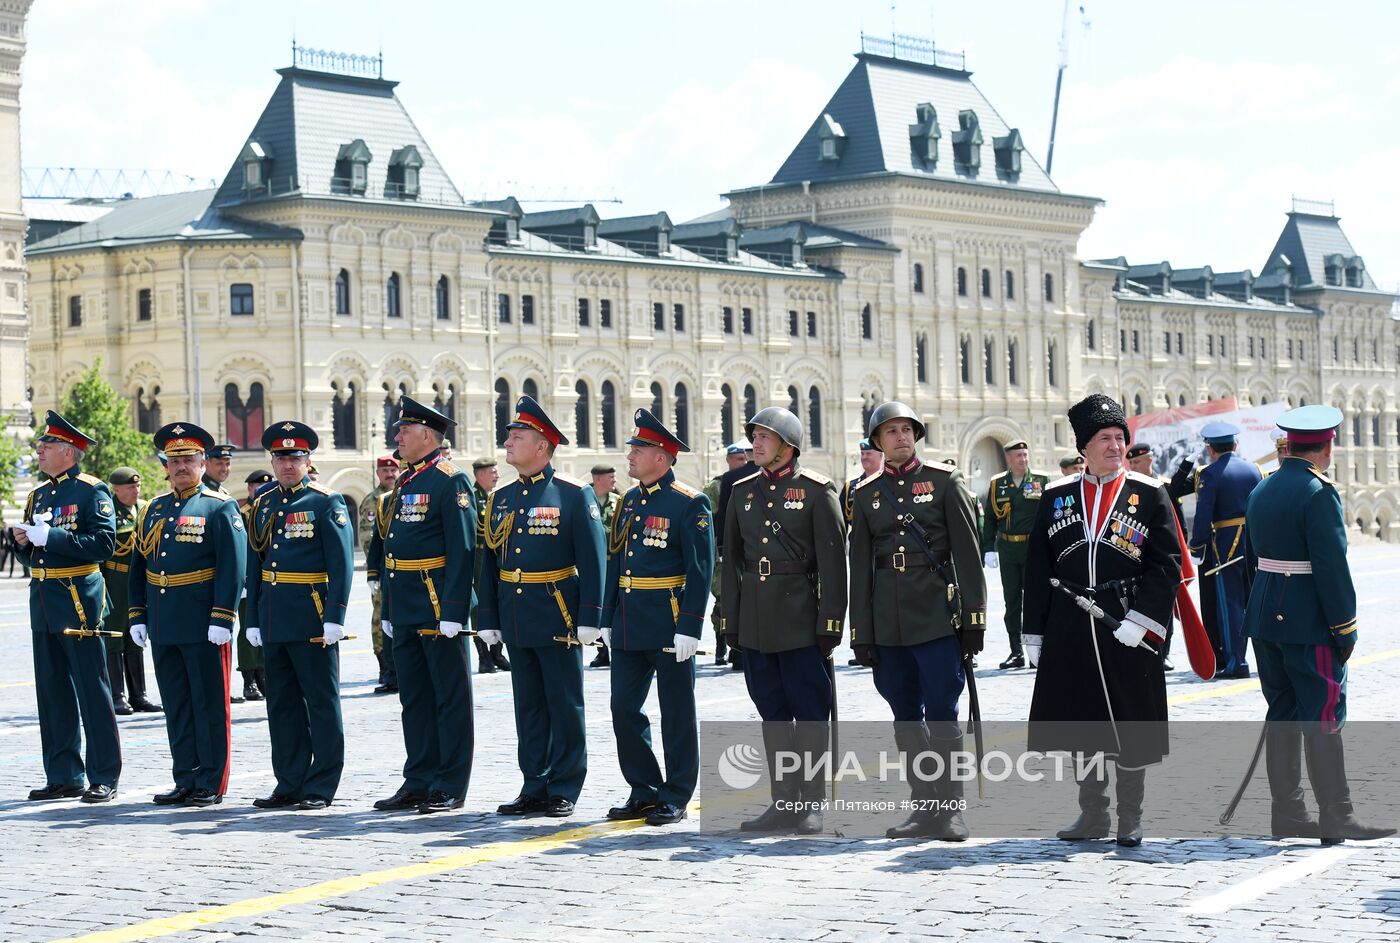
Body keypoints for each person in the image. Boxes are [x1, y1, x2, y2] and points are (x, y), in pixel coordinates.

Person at [1024, 394, 1182, 848]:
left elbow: (1167, 563)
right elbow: (1038, 567)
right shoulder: (1056, 497)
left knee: (1131, 721)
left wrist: (1143, 618)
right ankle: (1093, 814)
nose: (1115, 446)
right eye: (1105, 439)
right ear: (1084, 448)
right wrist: (1033, 629)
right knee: (1082, 723)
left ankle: (1129, 817)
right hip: (1071, 626)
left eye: (1120, 438)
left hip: (1126, 623)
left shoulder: (1149, 494)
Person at [1243, 405, 1394, 844]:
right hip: (1308, 621)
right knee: (1324, 714)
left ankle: (1288, 812)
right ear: (1327, 446)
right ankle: (1336, 814)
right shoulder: (1318, 492)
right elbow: (1331, 568)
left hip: (1266, 617)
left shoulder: (1263, 487)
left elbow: (1257, 558)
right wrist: (1345, 627)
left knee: (1283, 714)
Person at [849, 401, 986, 842]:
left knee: (944, 714)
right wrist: (861, 632)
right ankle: (923, 807)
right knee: (905, 717)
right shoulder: (866, 494)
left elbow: (968, 554)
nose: (901, 437)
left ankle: (951, 810)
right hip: (888, 624)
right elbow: (861, 568)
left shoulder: (945, 483)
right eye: (891, 431)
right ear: (877, 442)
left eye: (907, 429)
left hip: (935, 618)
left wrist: (974, 618)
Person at [478, 395, 606, 819]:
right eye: (509, 436)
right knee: (529, 706)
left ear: (543, 446)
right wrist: (488, 619)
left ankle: (564, 785)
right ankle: (534, 783)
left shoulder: (572, 493)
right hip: (515, 613)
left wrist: (591, 618)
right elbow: (489, 561)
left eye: (518, 437)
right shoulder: (501, 496)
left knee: (563, 703)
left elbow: (593, 559)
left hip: (558, 614)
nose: (509, 443)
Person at [723, 407, 845, 834]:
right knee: (771, 711)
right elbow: (732, 563)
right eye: (754, 436)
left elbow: (833, 562)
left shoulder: (816, 490)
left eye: (764, 437)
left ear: (788, 445)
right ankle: (783, 802)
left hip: (800, 619)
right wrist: (731, 620)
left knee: (809, 712)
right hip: (757, 621)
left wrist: (831, 622)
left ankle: (809, 803)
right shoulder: (741, 493)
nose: (755, 444)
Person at [600, 409, 713, 826]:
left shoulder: (689, 502)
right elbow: (616, 560)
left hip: (668, 621)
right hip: (630, 621)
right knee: (623, 708)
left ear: (662, 457)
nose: (630, 455)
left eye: (639, 449)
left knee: (677, 712)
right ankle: (644, 788)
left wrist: (691, 626)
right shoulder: (629, 501)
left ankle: (676, 793)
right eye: (631, 447)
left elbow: (701, 570)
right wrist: (607, 615)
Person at [128, 422, 247, 807]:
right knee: (177, 704)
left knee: (208, 703)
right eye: (174, 460)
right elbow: (138, 566)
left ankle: (211, 781)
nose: (181, 466)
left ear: (202, 463)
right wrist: (137, 615)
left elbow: (233, 565)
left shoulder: (218, 506)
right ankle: (185, 777)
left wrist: (223, 616)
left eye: (189, 460)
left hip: (203, 621)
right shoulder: (154, 509)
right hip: (164, 621)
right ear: (165, 465)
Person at [367, 398, 477, 815]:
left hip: (436, 606)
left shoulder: (451, 481)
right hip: (407, 605)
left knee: (449, 697)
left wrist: (453, 611)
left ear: (427, 436)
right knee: (414, 697)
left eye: (403, 431)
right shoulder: (407, 482)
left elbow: (462, 550)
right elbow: (393, 553)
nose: (397, 437)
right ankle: (418, 779)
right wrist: (391, 609)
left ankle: (449, 783)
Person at [244, 421, 355, 810]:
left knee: (320, 702)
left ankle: (321, 784)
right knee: (282, 703)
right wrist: (252, 618)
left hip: (312, 614)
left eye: (295, 457)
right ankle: (289, 781)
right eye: (280, 457)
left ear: (309, 460)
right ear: (272, 461)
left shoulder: (327, 501)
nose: (287, 464)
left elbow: (341, 564)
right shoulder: (264, 502)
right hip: (274, 615)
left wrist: (335, 616)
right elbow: (255, 564)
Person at [12, 411, 121, 804]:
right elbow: (32, 560)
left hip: (78, 600)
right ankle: (63, 774)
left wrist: (51, 536)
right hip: (43, 602)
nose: (39, 450)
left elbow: (103, 544)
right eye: (41, 444)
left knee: (93, 691)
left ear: (70, 453)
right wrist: (25, 544)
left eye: (48, 445)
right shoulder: (38, 494)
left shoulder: (92, 492)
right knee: (53, 693)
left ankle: (103, 774)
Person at [1190, 421, 1262, 680]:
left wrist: (1197, 544)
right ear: (1236, 444)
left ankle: (1236, 662)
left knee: (1230, 605)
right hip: (1254, 543)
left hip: (1226, 545)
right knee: (1256, 602)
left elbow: (1203, 513)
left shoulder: (1210, 473)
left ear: (1210, 449)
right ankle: (1265, 661)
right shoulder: (1255, 470)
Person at [980, 441, 1049, 669]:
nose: (1023, 459)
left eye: (1025, 455)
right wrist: (988, 548)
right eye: (1018, 456)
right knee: (1012, 602)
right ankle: (1016, 652)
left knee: (1034, 600)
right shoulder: (998, 483)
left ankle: (1036, 651)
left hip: (1033, 550)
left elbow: (1050, 515)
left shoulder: (1040, 481)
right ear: (1009, 458)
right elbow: (990, 518)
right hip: (1008, 550)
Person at [105, 466, 161, 715]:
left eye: (137, 486)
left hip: (138, 579)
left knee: (136, 635)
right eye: (130, 487)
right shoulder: (108, 512)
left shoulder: (145, 509)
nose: (135, 490)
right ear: (116, 489)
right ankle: (117, 695)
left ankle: (139, 694)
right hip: (115, 579)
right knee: (115, 635)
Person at [1126, 444, 1179, 671]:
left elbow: (1177, 525)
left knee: (1164, 603)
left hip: (1162, 553)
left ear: (1149, 460)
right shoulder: (1129, 488)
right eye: (1131, 463)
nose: (1133, 466)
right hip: (1137, 553)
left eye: (1137, 462)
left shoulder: (1164, 486)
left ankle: (1164, 652)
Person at [705, 440, 751, 665]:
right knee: (724, 600)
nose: (743, 462)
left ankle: (740, 649)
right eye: (739, 459)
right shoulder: (717, 486)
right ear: (729, 460)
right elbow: (707, 521)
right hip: (722, 554)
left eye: (745, 458)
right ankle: (720, 643)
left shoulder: (755, 482)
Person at [359, 455, 400, 692]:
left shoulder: (404, 493)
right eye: (384, 471)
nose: (389, 475)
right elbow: (368, 538)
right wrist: (376, 568)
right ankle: (384, 666)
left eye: (392, 471)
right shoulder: (372, 501)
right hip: (385, 568)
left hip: (402, 569)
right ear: (378, 474)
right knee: (380, 617)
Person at [468, 457, 511, 675]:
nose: (496, 475)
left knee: (498, 600)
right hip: (478, 558)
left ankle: (497, 653)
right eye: (492, 471)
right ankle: (484, 657)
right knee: (479, 608)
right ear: (480, 474)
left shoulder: (496, 498)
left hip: (494, 556)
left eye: (496, 471)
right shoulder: (471, 498)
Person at [587, 463, 624, 668]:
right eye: (610, 477)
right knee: (597, 607)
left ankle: (616, 646)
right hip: (593, 565)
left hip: (612, 563)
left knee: (615, 606)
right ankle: (602, 651)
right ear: (598, 479)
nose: (614, 481)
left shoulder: (618, 502)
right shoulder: (584, 500)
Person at [840, 438, 883, 533]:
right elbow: (841, 523)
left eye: (869, 454)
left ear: (880, 455)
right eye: (862, 454)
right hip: (858, 545)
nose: (864, 457)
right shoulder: (851, 487)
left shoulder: (890, 483)